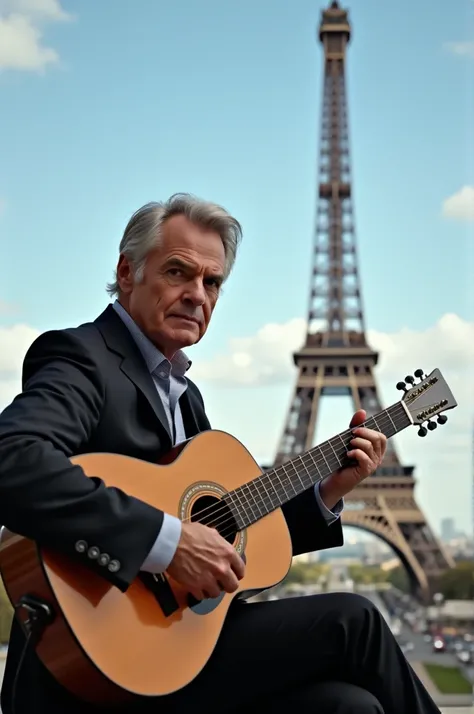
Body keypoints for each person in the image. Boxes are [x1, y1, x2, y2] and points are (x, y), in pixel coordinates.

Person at [0, 193, 440, 714]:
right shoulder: (83, 358)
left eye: (212, 283)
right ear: (126, 273)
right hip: (94, 667)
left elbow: (240, 542)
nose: (196, 294)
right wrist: (167, 542)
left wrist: (327, 492)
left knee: (351, 707)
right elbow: (13, 459)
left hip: (178, 647)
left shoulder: (187, 400)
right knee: (355, 621)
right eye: (178, 273)